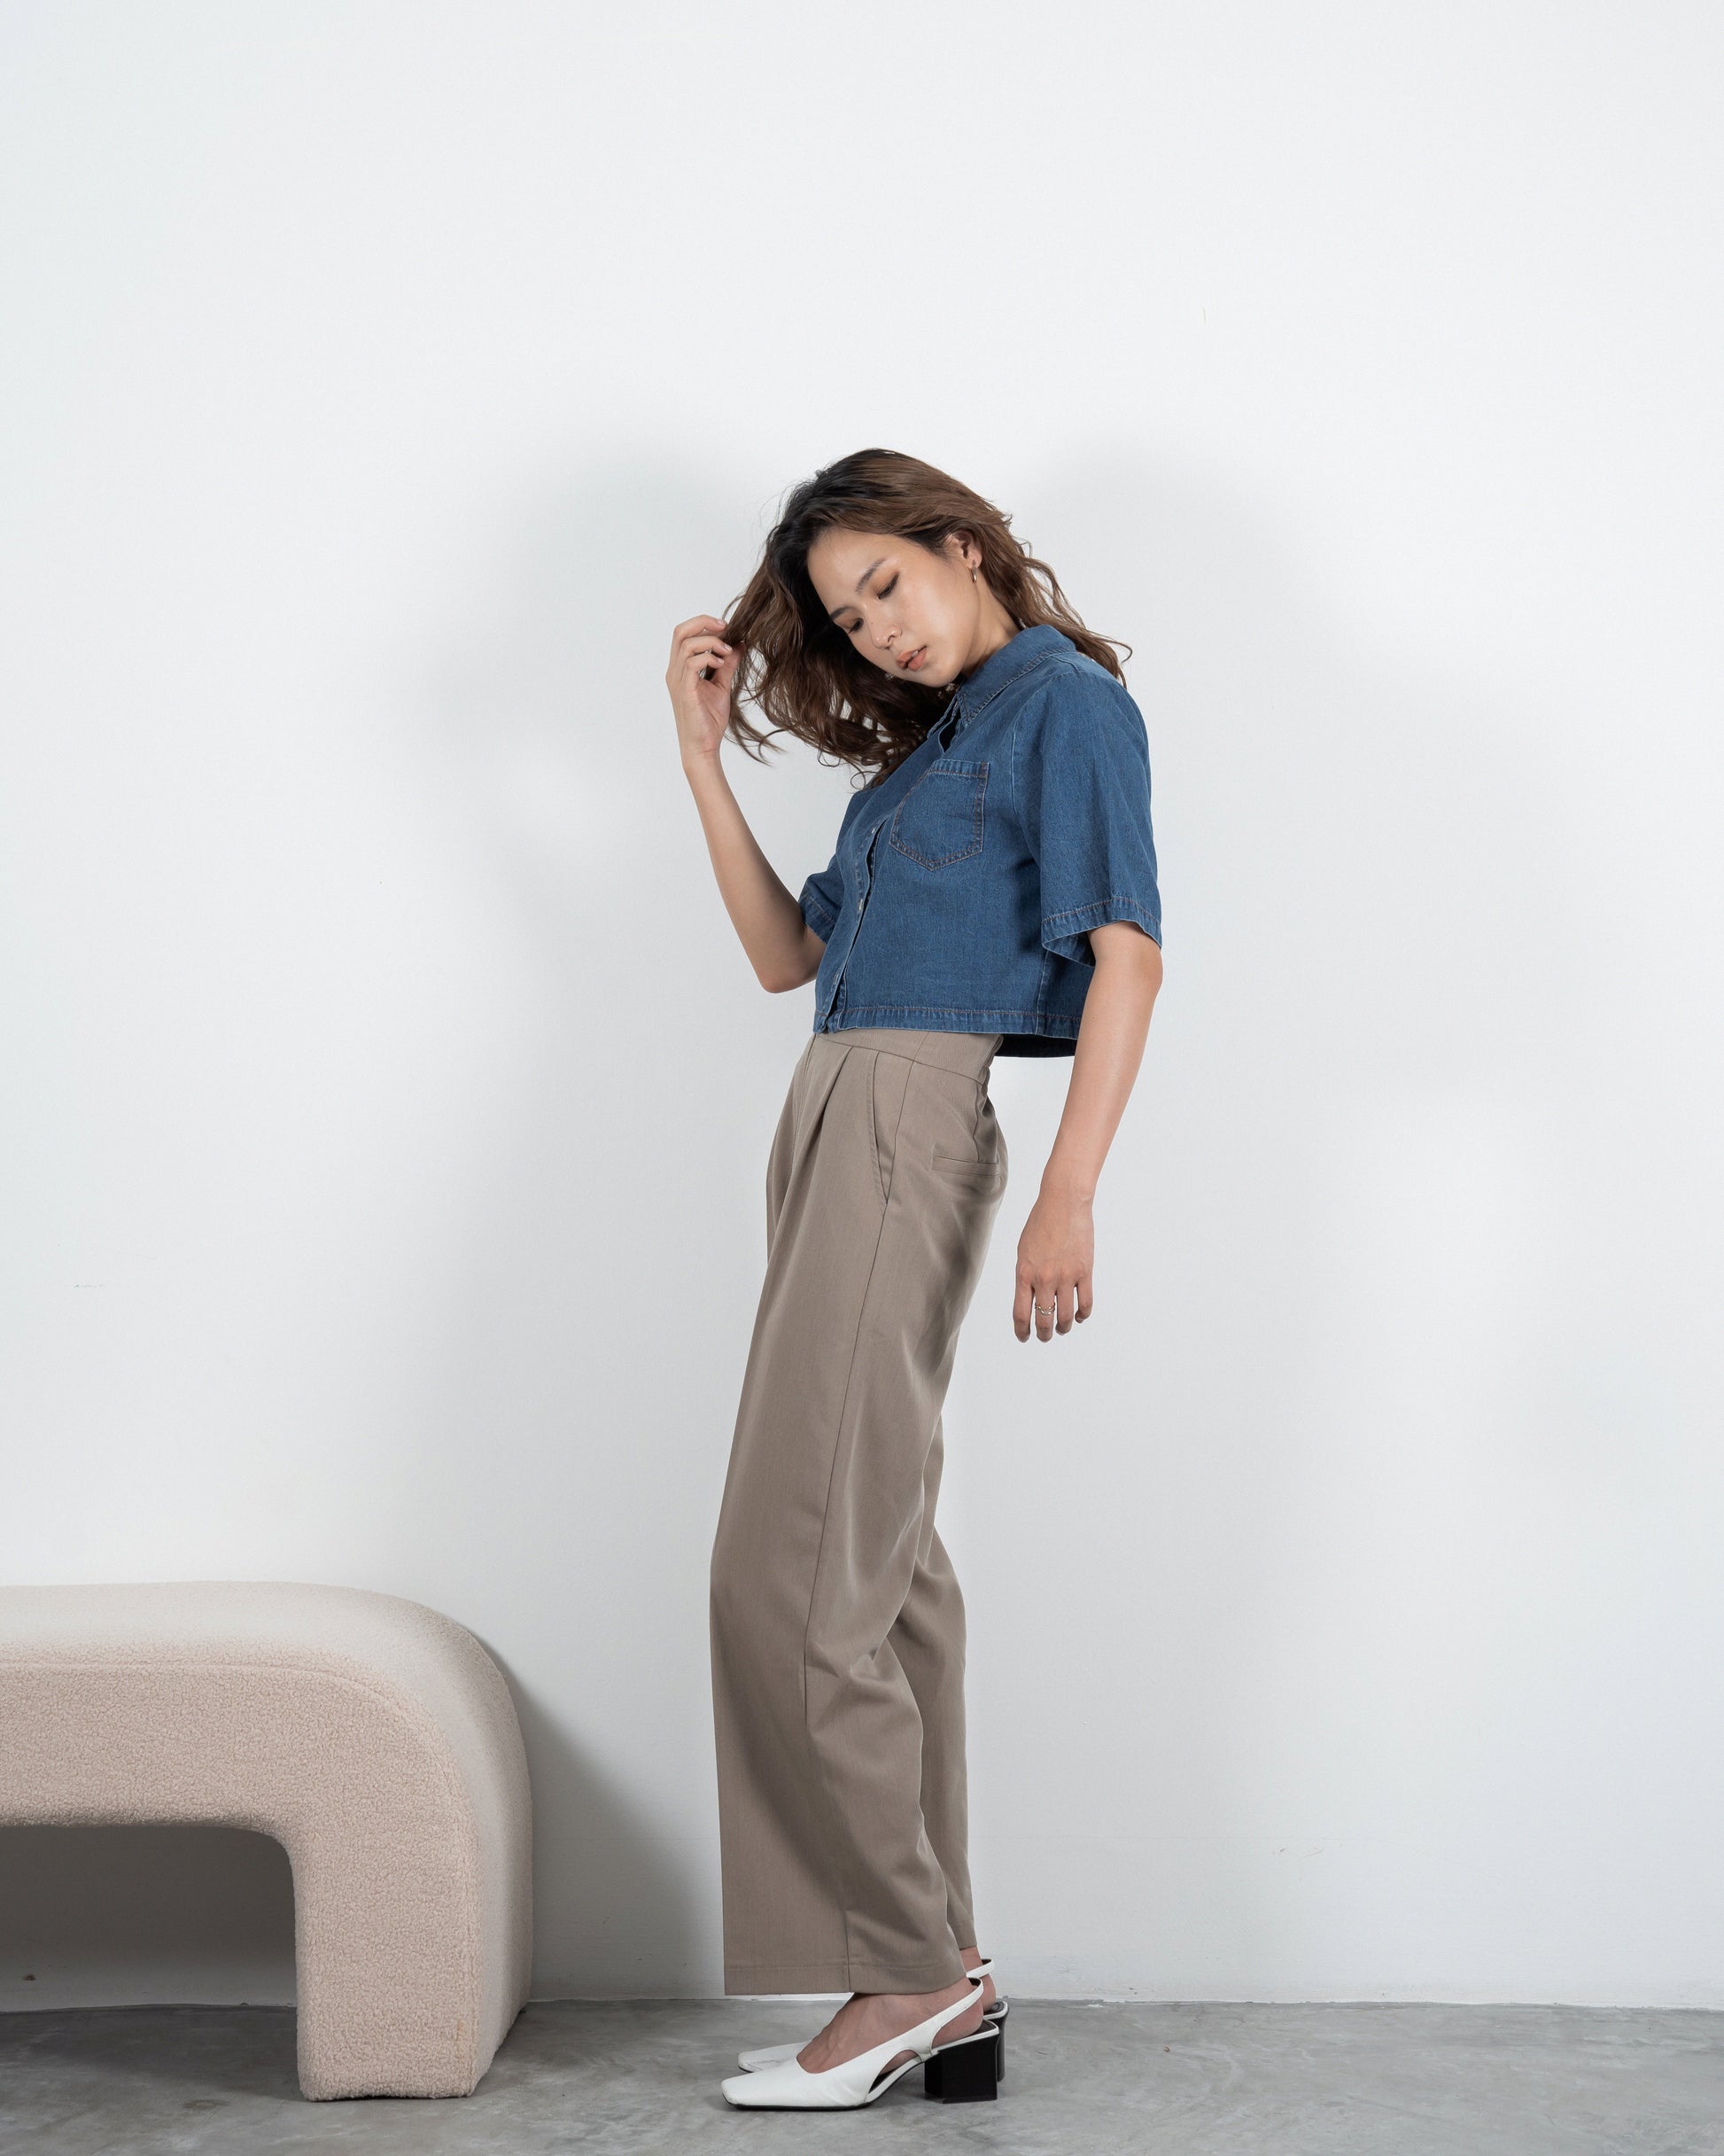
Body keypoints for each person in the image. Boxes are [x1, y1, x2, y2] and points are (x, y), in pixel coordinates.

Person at [665, 448, 1163, 2110]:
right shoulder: (929, 749)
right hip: (834, 1104)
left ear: (962, 544)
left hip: (905, 1113)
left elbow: (1127, 952)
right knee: (876, 1566)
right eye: (843, 615)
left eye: (885, 582)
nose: (874, 628)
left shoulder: (1061, 705)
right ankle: (938, 1965)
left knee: (791, 1563)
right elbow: (784, 957)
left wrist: (1070, 1191)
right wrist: (700, 760)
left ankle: (905, 1974)